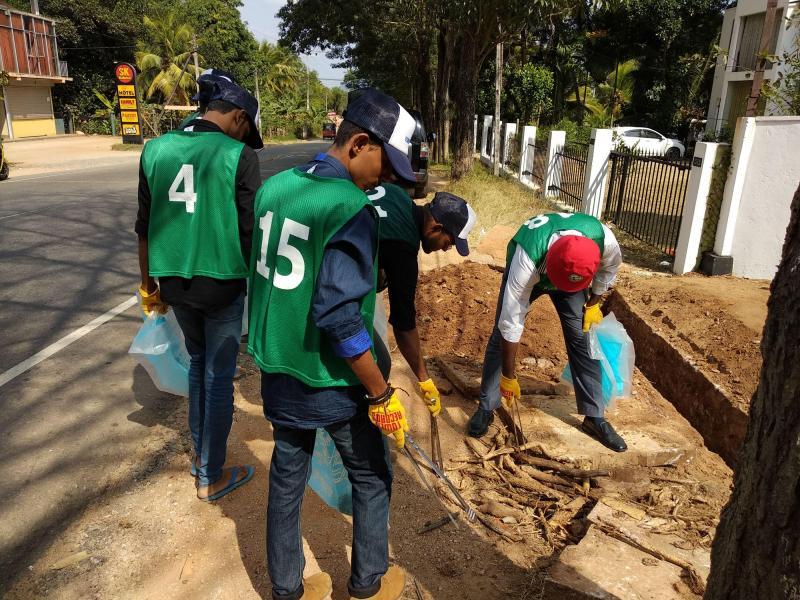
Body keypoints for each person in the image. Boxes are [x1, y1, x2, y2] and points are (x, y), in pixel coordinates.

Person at [247, 88, 417, 600]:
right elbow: (340, 318)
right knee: (370, 475)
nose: (386, 180)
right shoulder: (349, 207)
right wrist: (381, 393)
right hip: (331, 378)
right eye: (386, 167)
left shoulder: (275, 187)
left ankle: (285, 589)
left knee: (286, 478)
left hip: (278, 366)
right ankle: (367, 583)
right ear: (360, 144)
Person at [135, 80, 264, 501]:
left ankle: (201, 458)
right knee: (218, 377)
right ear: (239, 117)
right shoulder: (238, 156)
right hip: (222, 284)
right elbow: (251, 232)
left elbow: (144, 227)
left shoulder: (155, 150)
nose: (244, 139)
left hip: (173, 282)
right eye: (246, 130)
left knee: (198, 365)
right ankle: (210, 475)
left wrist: (148, 285)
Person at [468, 212, 627, 452]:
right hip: (538, 268)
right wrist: (508, 377)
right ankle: (487, 406)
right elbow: (511, 321)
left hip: (572, 278)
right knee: (501, 334)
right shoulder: (527, 258)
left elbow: (609, 270)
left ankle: (594, 417)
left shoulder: (604, 240)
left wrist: (593, 303)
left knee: (583, 337)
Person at [366, 183, 476, 416]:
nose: (445, 249)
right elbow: (403, 325)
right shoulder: (403, 245)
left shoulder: (396, 193)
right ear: (436, 227)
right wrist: (424, 379)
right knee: (379, 363)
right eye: (449, 242)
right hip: (324, 288)